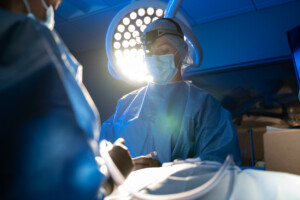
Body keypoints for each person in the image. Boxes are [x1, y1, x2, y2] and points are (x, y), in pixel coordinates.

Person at [0, 0, 133, 199]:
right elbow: (69, 189)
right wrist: (114, 174)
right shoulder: (25, 39)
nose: (51, 12)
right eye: (52, 5)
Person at [100, 18, 242, 166]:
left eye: (164, 50)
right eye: (149, 52)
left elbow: (221, 163)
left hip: (185, 189)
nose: (155, 59)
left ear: (183, 51)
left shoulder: (204, 106)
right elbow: (101, 157)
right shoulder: (126, 105)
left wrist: (164, 171)